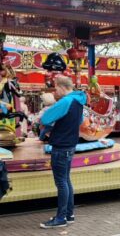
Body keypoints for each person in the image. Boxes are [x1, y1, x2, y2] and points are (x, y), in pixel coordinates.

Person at [39, 76, 86, 229]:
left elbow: (45, 118)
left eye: (56, 87)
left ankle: (60, 218)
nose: (55, 91)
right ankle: (68, 214)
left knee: (61, 183)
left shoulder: (66, 101)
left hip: (61, 146)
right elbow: (79, 122)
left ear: (61, 86)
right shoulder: (78, 101)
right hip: (70, 145)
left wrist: (53, 106)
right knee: (66, 180)